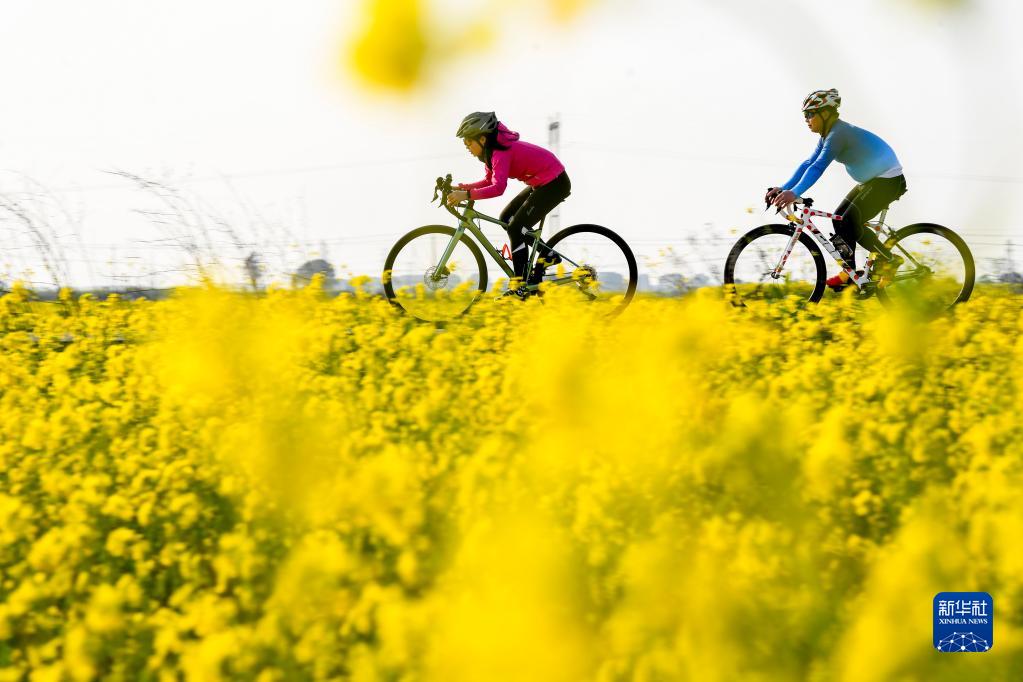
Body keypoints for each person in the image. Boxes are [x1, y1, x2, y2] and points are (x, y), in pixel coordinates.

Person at [767, 89, 906, 290]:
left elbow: (818, 167)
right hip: (873, 181)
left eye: (810, 114)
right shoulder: (828, 135)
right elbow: (808, 163)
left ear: (826, 114)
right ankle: (849, 272)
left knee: (850, 220)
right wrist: (784, 187)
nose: (807, 119)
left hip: (888, 180)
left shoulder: (838, 134)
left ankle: (889, 260)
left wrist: (794, 193)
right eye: (805, 115)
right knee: (839, 218)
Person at [448, 111, 571, 288]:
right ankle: (547, 254)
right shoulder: (491, 154)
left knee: (517, 227)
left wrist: (467, 195)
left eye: (468, 141)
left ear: (482, 139)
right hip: (542, 181)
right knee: (506, 218)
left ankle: (519, 284)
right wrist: (463, 188)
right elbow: (489, 181)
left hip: (555, 183)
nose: (466, 146)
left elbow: (498, 188)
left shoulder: (500, 153)